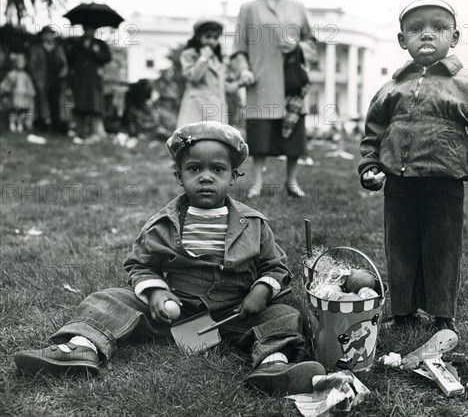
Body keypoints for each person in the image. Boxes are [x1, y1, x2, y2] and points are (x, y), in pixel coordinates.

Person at [13, 121, 325, 396]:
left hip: (236, 315)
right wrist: (156, 292)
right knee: (108, 299)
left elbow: (276, 267)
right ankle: (81, 348)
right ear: (179, 175)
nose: (205, 178)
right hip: (176, 314)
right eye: (194, 169)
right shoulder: (164, 223)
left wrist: (261, 291)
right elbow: (141, 265)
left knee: (283, 314)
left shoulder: (253, 224)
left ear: (233, 177)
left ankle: (273, 364)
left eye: (217, 170)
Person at [358, 0, 468, 333]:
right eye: (415, 29)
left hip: (444, 184)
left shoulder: (467, 84)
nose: (427, 35)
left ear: (454, 37)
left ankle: (443, 318)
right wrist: (369, 165)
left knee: (442, 249)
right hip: (399, 183)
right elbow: (373, 133)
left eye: (438, 28)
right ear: (401, 40)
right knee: (400, 248)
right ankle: (404, 313)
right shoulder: (391, 87)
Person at [232, 0, 317, 199]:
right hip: (261, 80)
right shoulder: (249, 8)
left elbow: (312, 42)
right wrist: (243, 70)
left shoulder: (297, 8)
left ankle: (292, 181)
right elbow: (239, 46)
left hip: (292, 81)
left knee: (294, 132)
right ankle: (257, 182)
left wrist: (297, 46)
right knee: (260, 133)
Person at [176, 19, 234, 128]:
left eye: (215, 38)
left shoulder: (218, 60)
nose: (212, 41)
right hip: (197, 110)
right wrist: (203, 58)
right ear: (199, 37)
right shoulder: (190, 55)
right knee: (194, 141)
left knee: (216, 142)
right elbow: (193, 77)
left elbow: (224, 86)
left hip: (217, 112)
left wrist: (240, 83)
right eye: (208, 36)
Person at [65, 25, 112, 143]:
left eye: (91, 30)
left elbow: (107, 57)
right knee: (80, 105)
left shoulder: (100, 44)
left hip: (93, 80)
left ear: (94, 31)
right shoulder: (77, 43)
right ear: (84, 30)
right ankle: (79, 131)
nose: (89, 32)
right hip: (80, 79)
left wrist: (97, 52)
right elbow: (70, 59)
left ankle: (93, 132)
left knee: (93, 105)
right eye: (87, 30)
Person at [28, 25, 69, 133]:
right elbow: (32, 65)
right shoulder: (36, 48)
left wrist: (63, 72)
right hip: (42, 80)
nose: (49, 36)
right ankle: (42, 126)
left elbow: (64, 64)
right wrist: (36, 78)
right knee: (41, 104)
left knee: (56, 104)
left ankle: (56, 128)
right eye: (46, 34)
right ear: (42, 36)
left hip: (56, 80)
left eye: (51, 34)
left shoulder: (58, 48)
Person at [0, 52, 36, 132]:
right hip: (15, 95)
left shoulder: (25, 75)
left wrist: (31, 92)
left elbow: (29, 85)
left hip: (23, 95)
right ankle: (12, 124)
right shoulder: (11, 74)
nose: (21, 64)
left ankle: (20, 124)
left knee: (22, 111)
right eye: (19, 62)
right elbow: (6, 84)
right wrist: (5, 89)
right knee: (13, 110)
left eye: (22, 62)